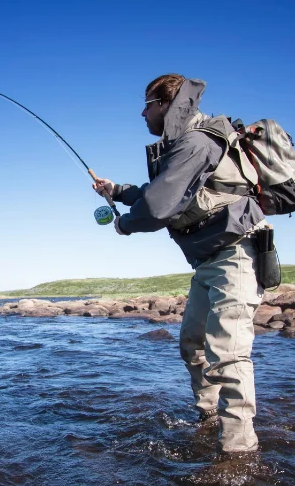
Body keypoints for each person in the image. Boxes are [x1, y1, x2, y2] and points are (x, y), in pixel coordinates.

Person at [93, 74, 267, 455]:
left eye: (148, 103)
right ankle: (209, 421)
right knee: (192, 345)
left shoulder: (196, 140)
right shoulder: (184, 144)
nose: (142, 112)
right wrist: (117, 191)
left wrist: (124, 224)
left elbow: (157, 207)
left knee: (230, 356)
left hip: (236, 255)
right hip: (209, 261)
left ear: (166, 104)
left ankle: (237, 454)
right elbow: (165, 193)